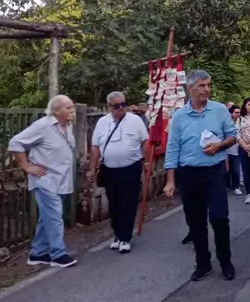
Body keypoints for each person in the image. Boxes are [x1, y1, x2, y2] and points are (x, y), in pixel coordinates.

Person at [163, 70, 237, 282]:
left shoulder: (220, 110)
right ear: (190, 89)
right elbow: (172, 149)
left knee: (219, 217)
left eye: (208, 85)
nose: (206, 89)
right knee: (195, 222)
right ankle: (203, 263)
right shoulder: (178, 117)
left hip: (214, 171)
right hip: (188, 174)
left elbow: (232, 136)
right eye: (202, 85)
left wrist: (219, 146)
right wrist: (170, 180)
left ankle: (225, 260)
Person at [9, 95, 78, 268]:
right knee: (54, 217)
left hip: (61, 180)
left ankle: (37, 253)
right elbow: (15, 142)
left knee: (47, 217)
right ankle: (58, 254)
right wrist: (26, 166)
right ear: (56, 110)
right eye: (68, 108)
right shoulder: (42, 126)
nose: (72, 111)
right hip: (45, 180)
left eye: (72, 107)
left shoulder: (67, 126)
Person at [87, 91, 150, 254]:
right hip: (110, 170)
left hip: (130, 168)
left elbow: (145, 142)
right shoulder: (102, 122)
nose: (121, 108)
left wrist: (147, 162)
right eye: (117, 106)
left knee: (128, 203)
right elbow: (94, 147)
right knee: (114, 204)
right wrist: (92, 169)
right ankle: (117, 234)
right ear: (110, 107)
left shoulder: (135, 121)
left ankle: (125, 237)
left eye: (123, 104)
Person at [226, 105, 242, 193]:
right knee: (226, 170)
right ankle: (227, 185)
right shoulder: (226, 123)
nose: (238, 114)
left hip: (237, 150)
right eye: (236, 112)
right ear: (231, 113)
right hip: (227, 150)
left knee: (236, 170)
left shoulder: (241, 122)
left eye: (239, 112)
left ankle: (236, 187)